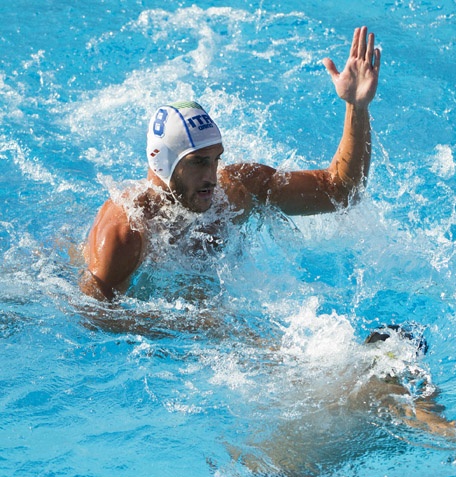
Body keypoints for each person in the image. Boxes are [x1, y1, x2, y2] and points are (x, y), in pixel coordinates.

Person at [80, 27, 381, 301]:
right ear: (161, 161)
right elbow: (93, 316)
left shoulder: (236, 192)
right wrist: (195, 328)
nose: (212, 176)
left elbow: (340, 190)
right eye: (199, 162)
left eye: (216, 159)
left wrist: (356, 107)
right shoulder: (126, 234)